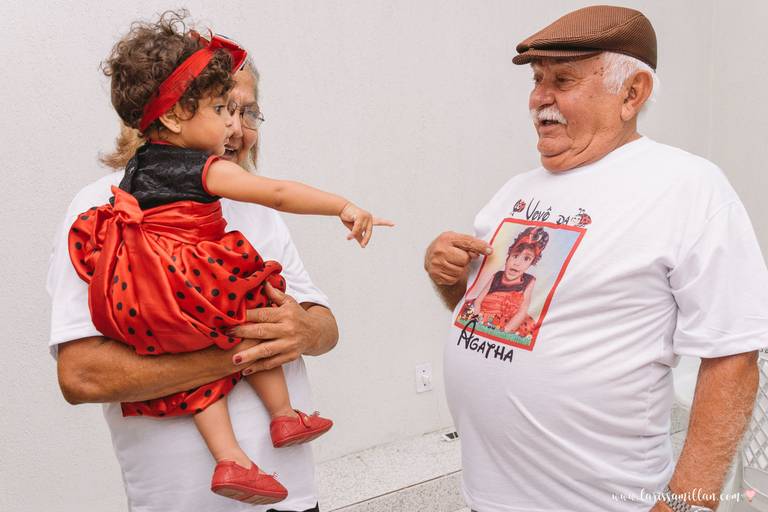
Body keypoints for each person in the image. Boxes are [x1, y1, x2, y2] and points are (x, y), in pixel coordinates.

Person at [424, 5, 768, 512]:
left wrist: (689, 503)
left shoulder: (687, 185)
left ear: (632, 94)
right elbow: (487, 316)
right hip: (487, 497)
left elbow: (734, 356)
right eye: (538, 80)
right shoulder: (513, 192)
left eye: (562, 80)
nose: (540, 98)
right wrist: (448, 276)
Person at [64, 14, 393, 506]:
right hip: (180, 503)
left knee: (199, 339)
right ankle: (279, 418)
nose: (235, 126)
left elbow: (322, 325)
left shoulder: (132, 189)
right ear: (176, 115)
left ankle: (233, 458)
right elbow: (80, 375)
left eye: (249, 112)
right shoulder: (108, 200)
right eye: (223, 108)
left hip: (292, 498)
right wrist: (344, 206)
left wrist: (304, 331)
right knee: (233, 311)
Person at [460, 227, 547, 336]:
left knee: (527, 327)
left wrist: (505, 330)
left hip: (509, 322)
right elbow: (478, 301)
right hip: (484, 314)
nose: (517, 263)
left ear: (531, 263)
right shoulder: (497, 276)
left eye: (526, 259)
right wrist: (475, 317)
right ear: (508, 257)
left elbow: (522, 311)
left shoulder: (529, 281)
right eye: (515, 256)